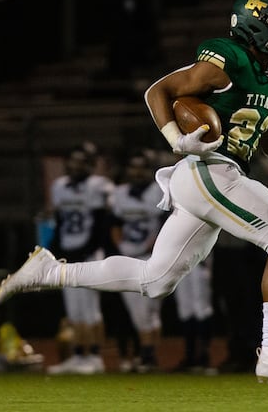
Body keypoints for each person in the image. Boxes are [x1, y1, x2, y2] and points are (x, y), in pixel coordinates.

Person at [0, 0, 268, 385]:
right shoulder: (227, 59)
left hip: (220, 175)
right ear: (256, 27)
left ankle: (50, 272)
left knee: (155, 280)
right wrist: (177, 139)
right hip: (208, 167)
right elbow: (158, 91)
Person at [45, 143, 114, 375]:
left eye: (82, 161)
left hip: (88, 254)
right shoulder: (60, 186)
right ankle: (77, 355)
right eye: (73, 161)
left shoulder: (98, 186)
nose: (76, 166)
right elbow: (59, 222)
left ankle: (94, 356)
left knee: (89, 308)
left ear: (91, 164)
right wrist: (53, 251)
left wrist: (86, 250)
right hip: (68, 253)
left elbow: (100, 225)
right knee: (73, 309)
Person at [110, 149, 166, 372]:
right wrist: (121, 247)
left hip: (151, 256)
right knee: (140, 312)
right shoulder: (120, 193)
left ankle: (149, 356)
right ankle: (148, 356)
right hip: (129, 256)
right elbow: (114, 224)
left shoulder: (158, 191)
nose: (137, 172)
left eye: (142, 167)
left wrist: (150, 246)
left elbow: (165, 225)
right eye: (134, 167)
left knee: (149, 311)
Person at [173, 253, 215, 374]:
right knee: (185, 310)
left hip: (199, 262)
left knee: (201, 309)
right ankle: (190, 356)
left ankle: (203, 356)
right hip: (180, 264)